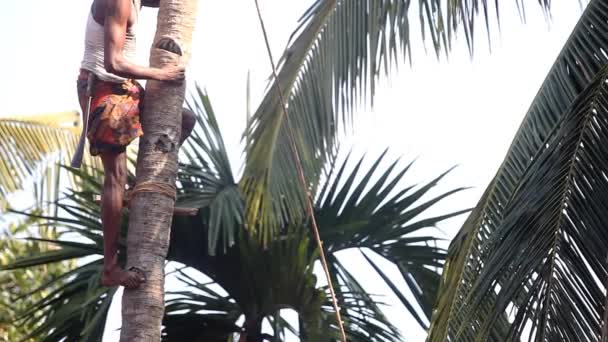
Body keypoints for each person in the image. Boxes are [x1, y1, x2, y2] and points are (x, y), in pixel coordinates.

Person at [77, 0, 196, 289]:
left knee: (185, 120)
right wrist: (162, 74)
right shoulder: (117, 1)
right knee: (114, 176)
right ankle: (110, 268)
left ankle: (131, 190)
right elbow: (112, 62)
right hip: (105, 88)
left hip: (126, 87)